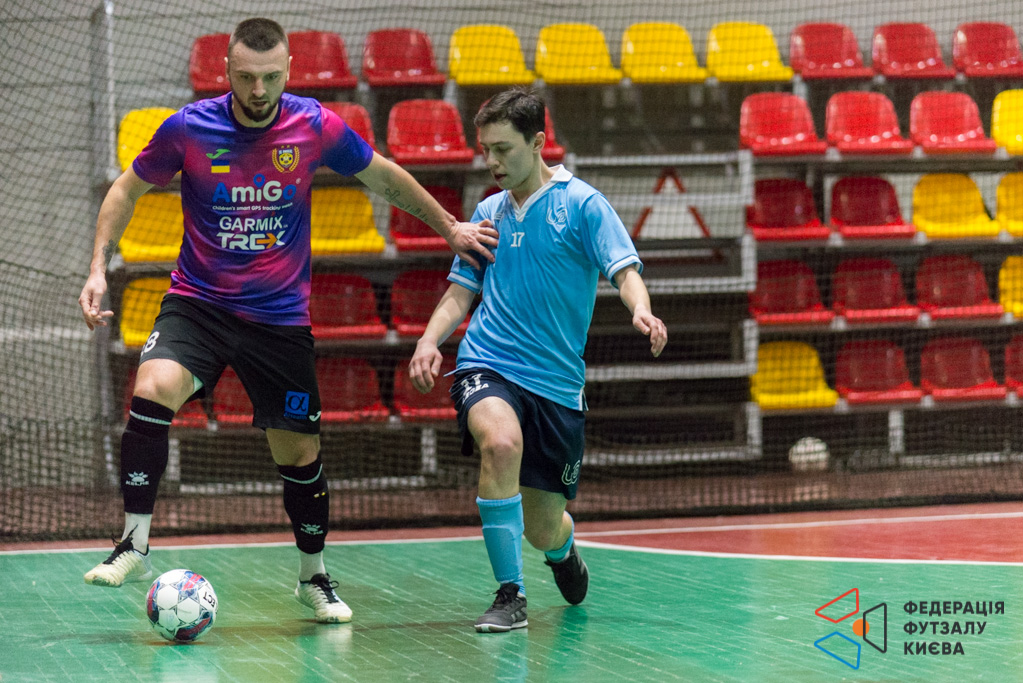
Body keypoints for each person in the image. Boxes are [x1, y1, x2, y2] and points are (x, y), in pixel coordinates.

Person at [77, 17, 498, 624]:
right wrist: (98, 267)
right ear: (227, 71)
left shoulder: (314, 125)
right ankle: (133, 544)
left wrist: (451, 228)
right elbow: (124, 191)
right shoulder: (188, 128)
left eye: (271, 77)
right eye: (247, 77)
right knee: (151, 387)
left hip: (278, 319)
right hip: (199, 303)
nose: (259, 90)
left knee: (298, 453)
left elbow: (383, 176)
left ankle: (313, 576)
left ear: (289, 71)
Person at [409, 88, 667, 633]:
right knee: (500, 443)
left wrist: (642, 310)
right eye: (485, 150)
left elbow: (624, 270)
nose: (492, 161)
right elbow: (460, 292)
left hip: (555, 384)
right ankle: (511, 595)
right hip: (488, 361)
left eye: (503, 149)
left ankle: (562, 547)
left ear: (537, 142)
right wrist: (429, 341)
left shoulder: (583, 205)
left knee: (542, 526)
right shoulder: (487, 213)